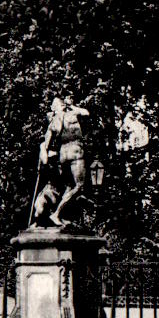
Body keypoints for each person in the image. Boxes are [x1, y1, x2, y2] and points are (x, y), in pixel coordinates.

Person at [38, 96, 90, 226]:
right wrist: (71, 106)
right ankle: (57, 214)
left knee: (68, 186)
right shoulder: (72, 113)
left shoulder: (53, 123)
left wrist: (44, 158)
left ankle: (63, 215)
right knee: (79, 186)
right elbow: (86, 112)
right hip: (75, 151)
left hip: (63, 154)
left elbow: (46, 145)